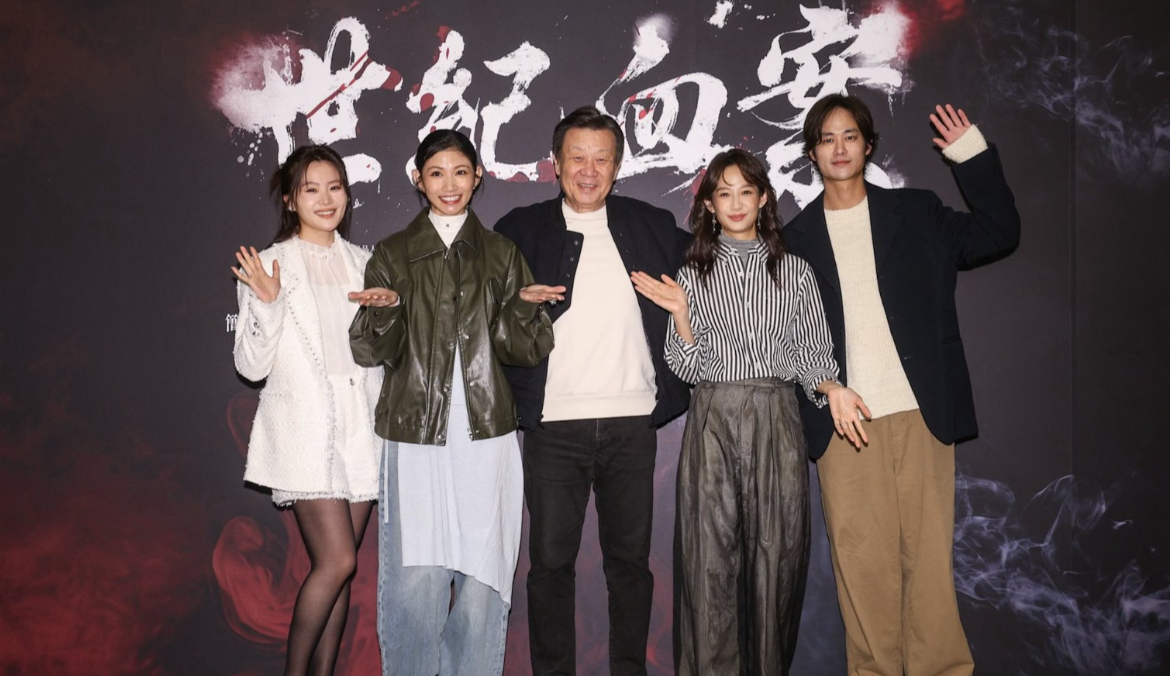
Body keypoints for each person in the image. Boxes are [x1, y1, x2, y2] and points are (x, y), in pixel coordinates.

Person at [783, 96, 1021, 676]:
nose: (839, 148)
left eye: (849, 135)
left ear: (867, 145)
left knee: (929, 564)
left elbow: (999, 232)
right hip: (844, 424)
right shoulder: (794, 240)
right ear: (813, 153)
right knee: (862, 569)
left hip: (920, 410)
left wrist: (970, 155)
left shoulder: (916, 211)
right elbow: (782, 337)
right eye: (826, 139)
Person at [631, 148, 864, 675]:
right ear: (709, 206)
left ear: (762, 200)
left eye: (745, 191)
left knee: (776, 560)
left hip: (777, 418)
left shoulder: (794, 271)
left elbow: (811, 355)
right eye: (724, 193)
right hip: (713, 418)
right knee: (708, 562)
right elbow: (688, 367)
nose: (735, 203)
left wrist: (833, 388)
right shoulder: (691, 273)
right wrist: (682, 315)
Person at [347, 129, 559, 676]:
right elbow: (371, 352)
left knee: (485, 574)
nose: (449, 184)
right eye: (436, 173)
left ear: (478, 177)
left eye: (460, 172)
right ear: (418, 180)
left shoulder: (501, 253)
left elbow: (522, 351)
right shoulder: (392, 253)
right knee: (415, 574)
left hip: (486, 430)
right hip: (415, 430)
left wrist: (523, 311)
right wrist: (385, 312)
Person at [494, 105, 691, 676]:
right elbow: (477, 308)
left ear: (617, 166)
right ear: (555, 164)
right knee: (550, 566)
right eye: (576, 157)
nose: (588, 170)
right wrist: (514, 304)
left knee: (630, 565)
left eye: (601, 159)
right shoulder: (519, 229)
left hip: (632, 422)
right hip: (554, 424)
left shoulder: (652, 225)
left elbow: (718, 266)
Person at [230, 144, 384, 676]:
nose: (325, 199)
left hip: (360, 430)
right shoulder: (270, 265)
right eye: (311, 189)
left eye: (334, 187)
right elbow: (251, 366)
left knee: (339, 572)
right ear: (291, 200)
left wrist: (391, 318)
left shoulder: (366, 263)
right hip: (306, 431)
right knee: (338, 560)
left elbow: (379, 354)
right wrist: (268, 302)